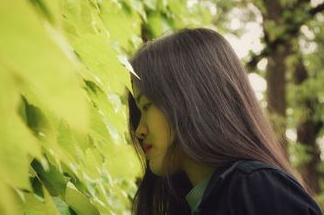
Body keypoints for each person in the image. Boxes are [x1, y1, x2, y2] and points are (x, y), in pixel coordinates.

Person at [126, 28, 323, 215]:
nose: (139, 131)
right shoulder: (198, 201)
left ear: (192, 99)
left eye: (145, 107)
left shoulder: (255, 188)